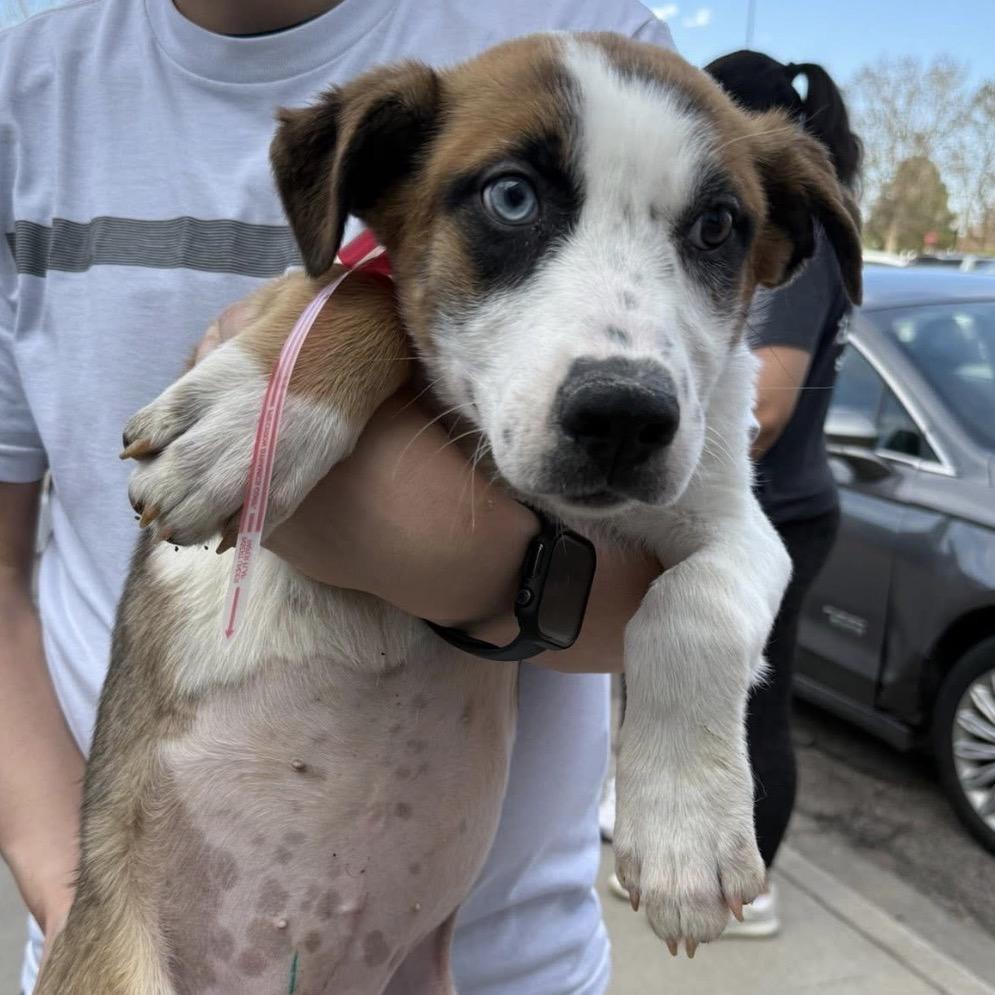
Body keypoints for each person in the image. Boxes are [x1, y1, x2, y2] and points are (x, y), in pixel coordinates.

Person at [0, 3, 673, 993]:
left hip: (479, 961)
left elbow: (681, 586)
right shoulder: (28, 80)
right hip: (125, 943)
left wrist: (448, 552)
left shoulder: (579, 44)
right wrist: (76, 898)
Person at [704, 49, 863, 937]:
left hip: (780, 508)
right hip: (793, 499)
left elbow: (763, 402)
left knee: (751, 699)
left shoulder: (783, 227)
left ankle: (747, 887)